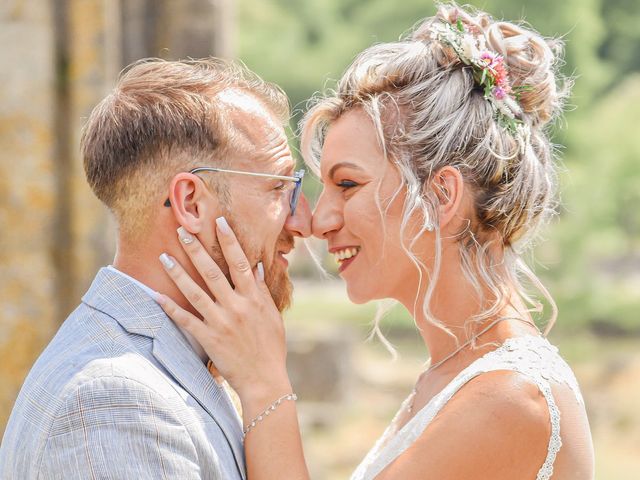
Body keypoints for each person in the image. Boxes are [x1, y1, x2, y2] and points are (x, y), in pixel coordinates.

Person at [155, 4, 595, 480]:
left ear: (442, 195)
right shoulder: (453, 372)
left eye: (347, 185)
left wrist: (264, 384)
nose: (318, 221)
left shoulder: (510, 399)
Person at [0, 58, 312, 479]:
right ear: (191, 203)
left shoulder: (184, 358)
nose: (302, 221)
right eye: (279, 188)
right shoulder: (112, 403)